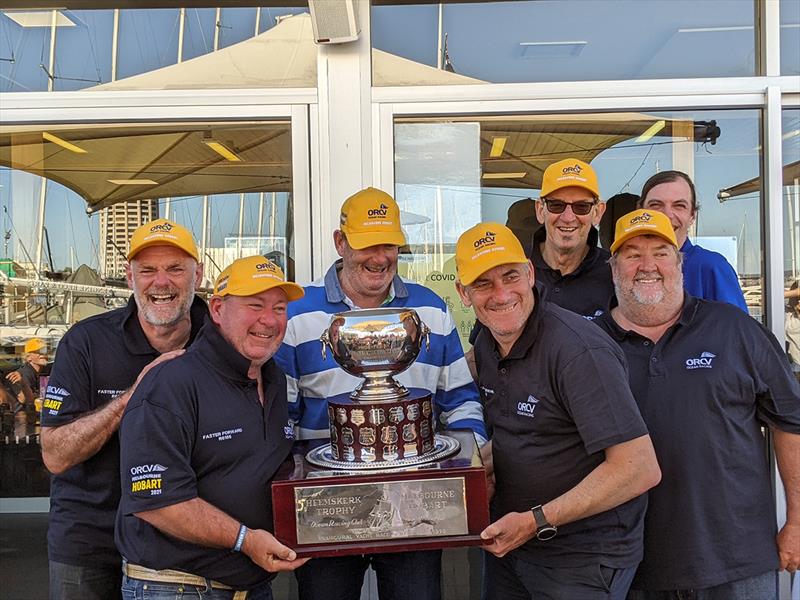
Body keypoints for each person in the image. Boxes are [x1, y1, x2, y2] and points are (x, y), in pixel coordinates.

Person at [275, 187, 487, 600]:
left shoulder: (431, 311)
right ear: (341, 242)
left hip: (415, 505)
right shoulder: (298, 315)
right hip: (326, 508)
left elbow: (461, 401)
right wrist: (289, 489)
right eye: (367, 244)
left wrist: (468, 469)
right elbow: (280, 419)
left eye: (389, 244)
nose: (379, 256)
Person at [596, 209, 800, 598]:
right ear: (613, 267)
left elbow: (791, 421)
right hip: (630, 566)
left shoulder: (735, 329)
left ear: (679, 262)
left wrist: (797, 521)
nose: (647, 265)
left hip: (737, 561)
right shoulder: (588, 345)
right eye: (632, 253)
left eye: (660, 252)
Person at [454, 222, 661, 600]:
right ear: (463, 294)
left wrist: (535, 521)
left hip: (581, 559)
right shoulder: (487, 342)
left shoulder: (578, 351)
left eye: (510, 275)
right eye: (482, 283)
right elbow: (526, 429)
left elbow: (639, 467)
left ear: (530, 273)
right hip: (512, 546)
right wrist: (482, 464)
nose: (501, 294)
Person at [116, 255, 308, 599]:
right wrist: (244, 540)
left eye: (279, 308)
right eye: (255, 305)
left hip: (249, 584)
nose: (269, 320)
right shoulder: (172, 382)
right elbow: (154, 500)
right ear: (217, 309)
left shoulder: (273, 378)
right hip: (176, 588)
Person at [40, 218, 208, 600]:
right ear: (130, 278)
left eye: (174, 269)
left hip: (182, 544)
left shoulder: (216, 338)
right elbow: (55, 454)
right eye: (147, 270)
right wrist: (135, 395)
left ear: (196, 275)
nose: (161, 282)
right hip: (89, 542)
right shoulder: (85, 341)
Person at [638, 170, 748, 311]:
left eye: (679, 205)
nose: (666, 215)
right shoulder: (626, 267)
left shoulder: (711, 267)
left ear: (692, 216)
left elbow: (737, 329)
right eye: (655, 205)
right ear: (640, 211)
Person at [530, 157, 614, 319]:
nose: (568, 217)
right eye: (556, 205)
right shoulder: (514, 270)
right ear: (540, 210)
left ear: (597, 213)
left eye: (581, 207)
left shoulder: (616, 274)